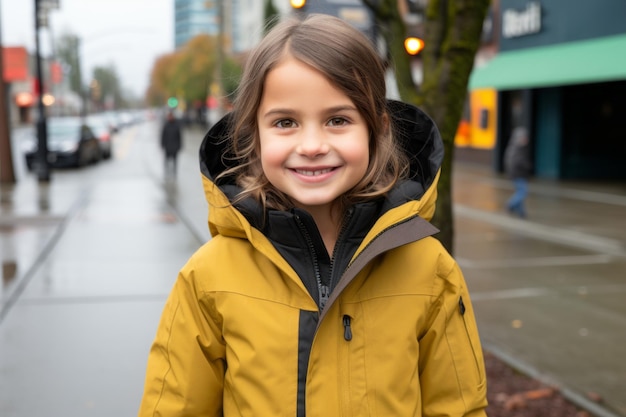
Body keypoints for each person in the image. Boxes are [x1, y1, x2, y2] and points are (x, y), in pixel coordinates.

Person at [138, 14, 487, 417]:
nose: (312, 144)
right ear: (255, 132)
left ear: (378, 129)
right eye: (285, 122)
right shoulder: (208, 277)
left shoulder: (431, 271)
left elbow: (459, 407)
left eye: (338, 120)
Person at [504, 126, 532, 218]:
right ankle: (510, 204)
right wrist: (528, 166)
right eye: (524, 137)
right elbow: (518, 162)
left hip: (517, 174)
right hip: (518, 174)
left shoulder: (516, 147)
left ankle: (522, 213)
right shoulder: (518, 148)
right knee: (523, 192)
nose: (526, 139)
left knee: (520, 192)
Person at [160, 111, 182, 178]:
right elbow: (163, 136)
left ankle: (174, 173)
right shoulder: (166, 125)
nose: (170, 118)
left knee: (175, 161)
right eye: (169, 117)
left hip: (175, 147)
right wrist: (162, 144)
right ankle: (167, 172)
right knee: (167, 161)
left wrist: (179, 146)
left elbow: (179, 137)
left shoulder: (176, 125)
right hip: (167, 147)